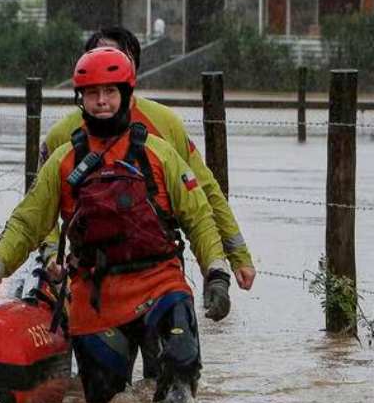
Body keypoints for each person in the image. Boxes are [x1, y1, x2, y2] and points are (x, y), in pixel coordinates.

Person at [0, 47, 231, 403]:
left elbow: (199, 219)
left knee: (181, 370)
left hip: (160, 285)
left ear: (126, 95)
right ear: (81, 99)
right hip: (96, 297)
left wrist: (217, 274)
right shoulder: (63, 161)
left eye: (110, 92)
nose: (101, 101)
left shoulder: (160, 155)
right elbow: (26, 223)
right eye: (92, 94)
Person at [41, 26, 255, 293]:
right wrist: (52, 256)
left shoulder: (166, 124)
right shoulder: (62, 135)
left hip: (160, 273)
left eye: (118, 60)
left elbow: (205, 194)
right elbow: (40, 207)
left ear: (133, 73)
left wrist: (237, 258)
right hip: (92, 275)